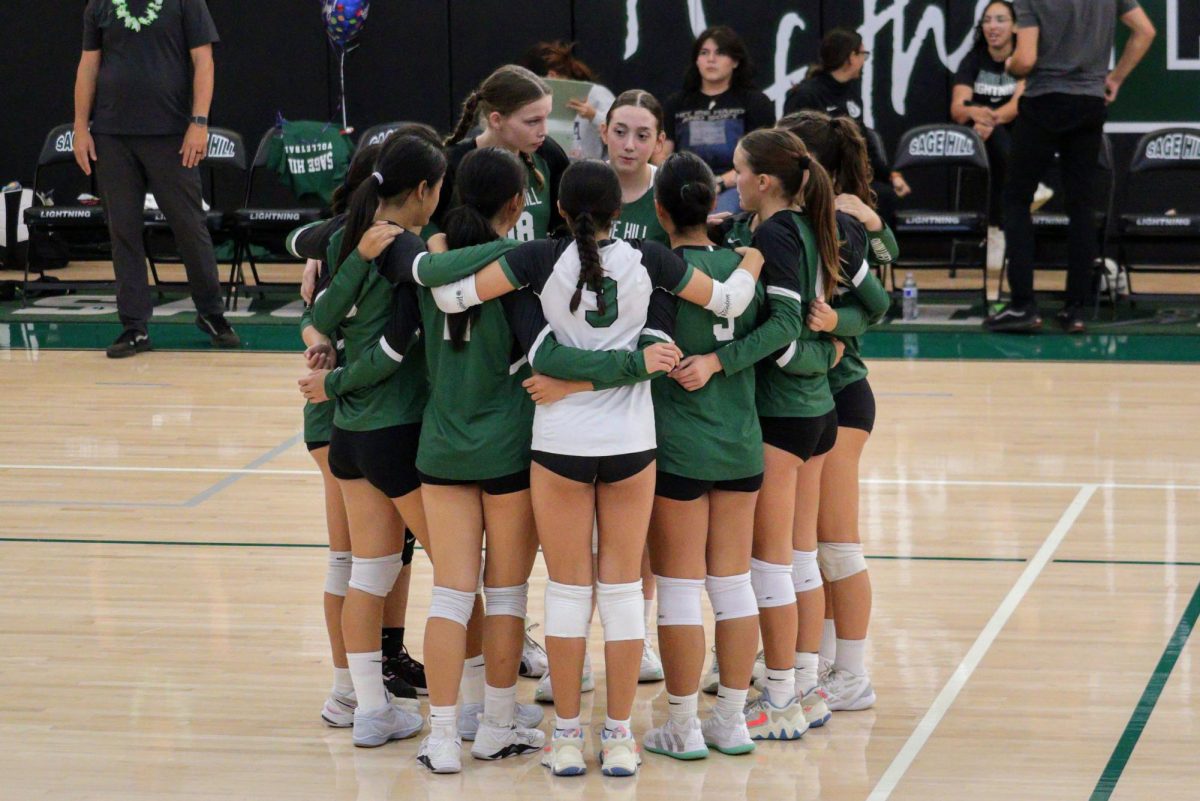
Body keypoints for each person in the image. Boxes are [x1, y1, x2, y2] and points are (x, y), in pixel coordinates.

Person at [403, 159, 764, 775]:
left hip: (560, 445)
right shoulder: (650, 257)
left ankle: (567, 737)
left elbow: (449, 293)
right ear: (621, 211)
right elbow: (730, 298)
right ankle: (619, 739)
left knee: (568, 595)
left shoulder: (536, 258)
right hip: (632, 441)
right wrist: (752, 256)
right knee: (623, 594)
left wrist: (429, 249)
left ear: (561, 211)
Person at [671, 129, 845, 740]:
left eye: (738, 170)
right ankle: (803, 688)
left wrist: (718, 362)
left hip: (783, 414)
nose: (731, 179)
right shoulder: (796, 225)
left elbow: (787, 325)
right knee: (796, 560)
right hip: (815, 409)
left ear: (763, 181)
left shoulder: (773, 232)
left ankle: (776, 699)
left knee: (768, 567)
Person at [298, 133, 444, 748]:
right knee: (460, 572)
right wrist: (337, 382)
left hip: (349, 437)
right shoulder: (407, 251)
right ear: (424, 191)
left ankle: (365, 707)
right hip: (392, 429)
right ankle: (480, 713)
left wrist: (333, 387)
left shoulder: (341, 242)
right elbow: (393, 350)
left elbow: (321, 317)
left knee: (369, 572)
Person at [641, 152, 763, 760]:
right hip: (740, 442)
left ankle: (684, 726)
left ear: (660, 210)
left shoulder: (659, 272)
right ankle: (733, 720)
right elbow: (772, 333)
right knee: (735, 585)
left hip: (679, 448)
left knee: (682, 588)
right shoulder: (742, 266)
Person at [774, 110, 895, 712]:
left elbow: (879, 305)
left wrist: (835, 326)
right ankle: (812, 663)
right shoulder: (794, 223)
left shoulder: (847, 223)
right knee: (801, 547)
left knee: (835, 545)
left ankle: (852, 671)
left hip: (840, 395)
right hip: (802, 396)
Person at [75, 0, 239, 358]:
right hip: (111, 135)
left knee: (189, 226)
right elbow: (89, 64)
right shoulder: (100, 4)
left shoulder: (186, 2)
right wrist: (79, 126)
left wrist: (199, 122)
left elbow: (203, 61)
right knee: (123, 230)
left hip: (171, 134)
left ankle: (211, 313)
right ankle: (134, 326)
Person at [986, 0, 1155, 334]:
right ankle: (1075, 309)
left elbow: (1026, 60)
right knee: (1081, 207)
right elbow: (1145, 31)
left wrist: (1009, 66)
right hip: (1089, 103)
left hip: (1044, 102)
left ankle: (1023, 306)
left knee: (1017, 200)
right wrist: (1116, 78)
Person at [783, 28, 909, 227]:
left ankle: (880, 255)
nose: (864, 61)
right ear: (851, 57)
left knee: (883, 195)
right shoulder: (806, 95)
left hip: (848, 174)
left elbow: (862, 138)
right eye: (863, 54)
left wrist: (890, 175)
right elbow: (791, 144)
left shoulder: (851, 92)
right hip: (816, 177)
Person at [442, 65, 570, 241]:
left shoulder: (548, 154)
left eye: (546, 117)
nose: (544, 131)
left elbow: (567, 224)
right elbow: (428, 231)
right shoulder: (453, 163)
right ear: (496, 120)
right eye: (533, 121)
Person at [951, 1, 1051, 221]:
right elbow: (958, 108)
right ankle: (1030, 189)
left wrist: (986, 118)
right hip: (978, 138)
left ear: (1016, 26)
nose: (992, 27)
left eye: (1000, 20)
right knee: (989, 131)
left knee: (1002, 131)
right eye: (986, 21)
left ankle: (1003, 226)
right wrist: (977, 114)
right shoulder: (973, 60)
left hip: (1014, 135)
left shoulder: (1023, 60)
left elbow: (1017, 105)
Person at [662, 26, 775, 215]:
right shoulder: (676, 103)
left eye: (720, 53)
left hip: (735, 185)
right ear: (696, 60)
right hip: (684, 184)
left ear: (736, 61)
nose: (711, 59)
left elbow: (760, 159)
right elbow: (662, 153)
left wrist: (719, 183)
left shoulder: (755, 102)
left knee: (720, 215)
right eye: (704, 53)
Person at [520, 41, 616, 161]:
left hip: (590, 170)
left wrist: (593, 115)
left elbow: (620, 130)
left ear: (551, 76)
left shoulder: (595, 93)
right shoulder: (536, 102)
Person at [604, 90, 670, 246]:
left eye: (642, 136)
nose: (629, 146)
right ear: (604, 132)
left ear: (659, 142)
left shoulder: (669, 193)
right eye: (620, 132)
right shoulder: (582, 183)